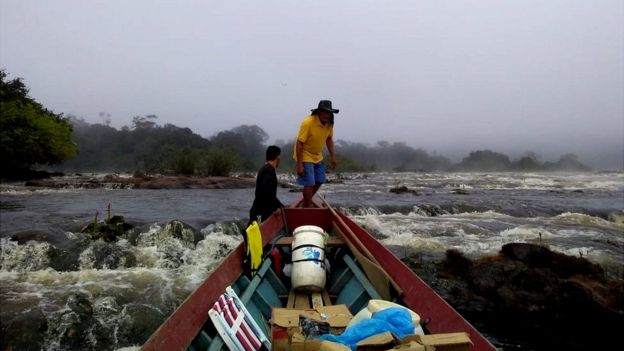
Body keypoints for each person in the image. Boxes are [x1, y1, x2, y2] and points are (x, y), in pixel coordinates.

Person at [293, 100, 338, 207]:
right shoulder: (308, 123)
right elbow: (299, 143)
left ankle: (306, 201)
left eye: (328, 113)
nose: (326, 115)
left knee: (320, 179)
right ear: (318, 112)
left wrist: (333, 156)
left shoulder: (329, 123)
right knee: (309, 182)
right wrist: (300, 165)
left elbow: (329, 139)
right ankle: (307, 206)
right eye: (324, 112)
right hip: (304, 153)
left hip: (317, 155)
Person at [248, 145, 284, 225]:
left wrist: (281, 207)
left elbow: (270, 194)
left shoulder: (265, 168)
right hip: (260, 213)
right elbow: (267, 193)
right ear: (278, 158)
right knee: (256, 235)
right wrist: (276, 208)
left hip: (258, 210)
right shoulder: (269, 171)